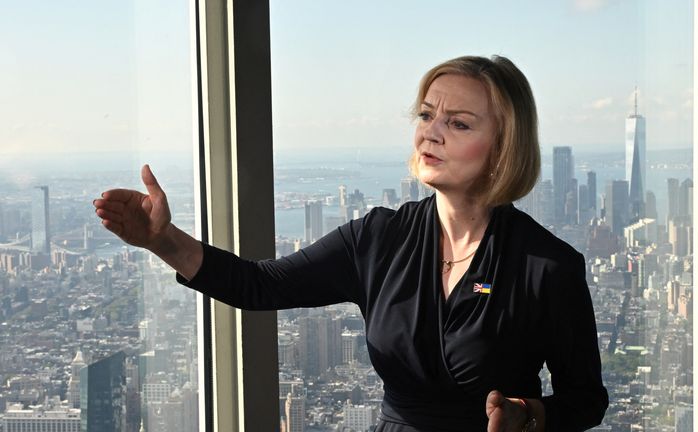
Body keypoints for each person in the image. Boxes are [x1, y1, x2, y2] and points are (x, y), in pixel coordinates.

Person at [93, 55, 608, 431]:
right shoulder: (379, 238)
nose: (431, 133)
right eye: (427, 115)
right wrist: (164, 241)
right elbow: (260, 285)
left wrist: (527, 414)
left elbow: (585, 401)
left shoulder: (547, 267)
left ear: (503, 148)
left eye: (458, 123)